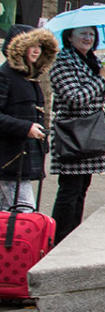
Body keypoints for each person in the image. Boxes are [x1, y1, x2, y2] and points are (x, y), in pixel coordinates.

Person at [50, 26, 105, 241]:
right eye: (83, 34)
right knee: (69, 191)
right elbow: (74, 98)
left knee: (81, 189)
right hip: (73, 135)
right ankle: (59, 238)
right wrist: (100, 80)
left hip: (91, 133)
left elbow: (100, 100)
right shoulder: (63, 62)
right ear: (69, 37)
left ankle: (71, 235)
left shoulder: (92, 61)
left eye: (92, 34)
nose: (89, 38)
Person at [0, 27, 57, 211]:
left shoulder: (29, 77)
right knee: (25, 211)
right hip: (8, 159)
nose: (36, 50)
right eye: (31, 45)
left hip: (20, 158)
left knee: (8, 214)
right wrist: (25, 127)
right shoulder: (5, 75)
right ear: (18, 48)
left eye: (39, 46)